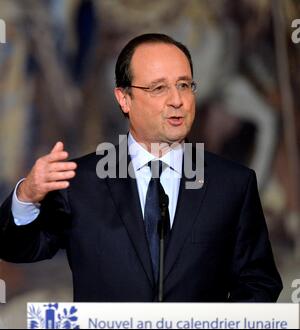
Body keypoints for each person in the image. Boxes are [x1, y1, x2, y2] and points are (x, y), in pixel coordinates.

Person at [0, 33, 282, 302]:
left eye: (184, 85)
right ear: (124, 99)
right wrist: (25, 195)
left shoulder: (233, 184)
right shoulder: (79, 184)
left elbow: (259, 282)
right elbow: (18, 248)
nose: (177, 100)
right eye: (159, 88)